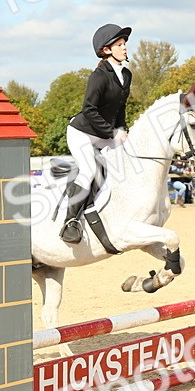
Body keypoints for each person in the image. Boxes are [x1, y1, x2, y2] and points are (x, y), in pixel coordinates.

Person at [59, 23, 133, 243]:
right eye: (119, 44)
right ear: (107, 50)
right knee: (90, 169)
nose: (125, 47)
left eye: (124, 43)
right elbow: (89, 110)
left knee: (129, 157)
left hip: (104, 134)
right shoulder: (99, 76)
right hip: (81, 132)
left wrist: (123, 130)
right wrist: (111, 132)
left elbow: (121, 107)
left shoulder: (126, 75)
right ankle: (70, 223)